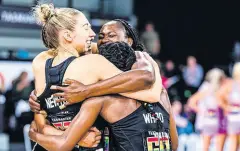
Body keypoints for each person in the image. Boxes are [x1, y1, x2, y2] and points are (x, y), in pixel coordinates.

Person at [30, 3, 162, 150]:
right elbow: (151, 94)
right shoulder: (94, 63)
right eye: (86, 28)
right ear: (67, 35)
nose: (92, 34)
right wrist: (151, 65)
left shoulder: (40, 62)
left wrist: (72, 138)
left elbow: (40, 126)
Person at [29, 42, 178, 151]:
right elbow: (174, 145)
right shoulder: (162, 94)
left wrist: (33, 134)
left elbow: (62, 144)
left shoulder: (101, 101)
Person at [188, 68, 227, 151]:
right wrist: (202, 111)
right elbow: (192, 101)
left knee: (219, 147)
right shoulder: (206, 87)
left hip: (219, 120)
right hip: (207, 120)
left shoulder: (223, 88)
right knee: (206, 146)